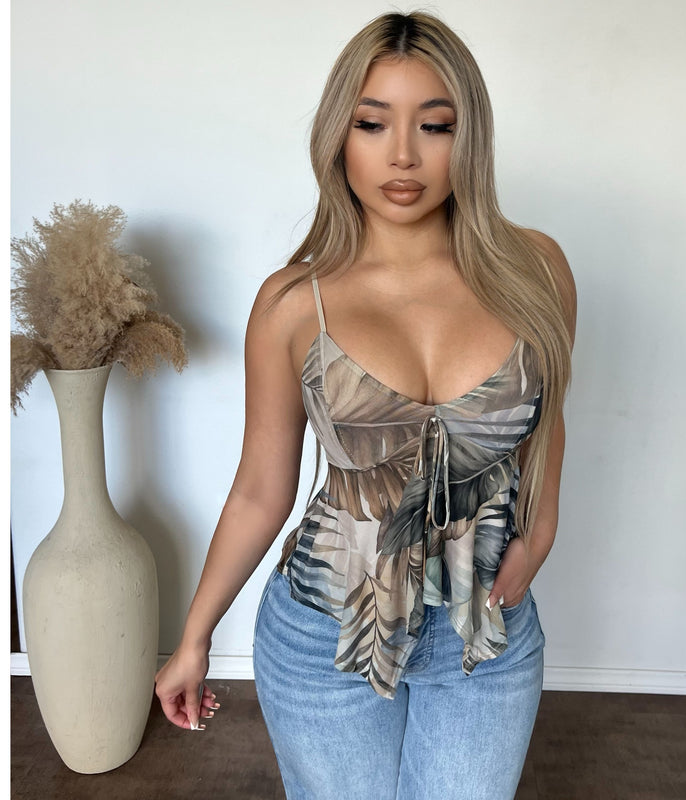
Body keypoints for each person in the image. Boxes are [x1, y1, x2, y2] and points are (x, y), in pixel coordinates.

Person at [155, 10, 576, 799]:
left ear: (470, 137)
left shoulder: (538, 272)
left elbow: (547, 424)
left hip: (483, 637)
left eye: (435, 124)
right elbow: (260, 491)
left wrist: (541, 532)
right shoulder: (293, 304)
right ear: (338, 137)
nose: (403, 154)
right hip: (325, 636)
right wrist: (193, 636)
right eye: (372, 122)